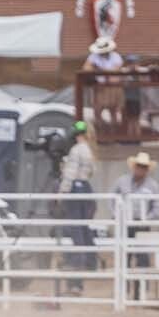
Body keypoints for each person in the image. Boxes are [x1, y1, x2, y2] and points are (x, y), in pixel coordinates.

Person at [114, 150, 159, 297]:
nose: (141, 169)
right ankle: (123, 291)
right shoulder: (122, 181)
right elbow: (113, 199)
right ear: (134, 167)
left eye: (144, 167)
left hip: (142, 225)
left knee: (142, 258)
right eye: (139, 166)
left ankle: (139, 292)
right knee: (124, 257)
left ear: (147, 169)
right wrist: (117, 215)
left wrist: (147, 218)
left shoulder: (153, 185)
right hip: (125, 224)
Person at [58, 121, 96, 295]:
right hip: (85, 187)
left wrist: (62, 192)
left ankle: (79, 259)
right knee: (83, 226)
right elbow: (91, 172)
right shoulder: (89, 150)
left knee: (75, 227)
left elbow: (70, 173)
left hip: (75, 188)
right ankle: (89, 258)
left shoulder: (75, 150)